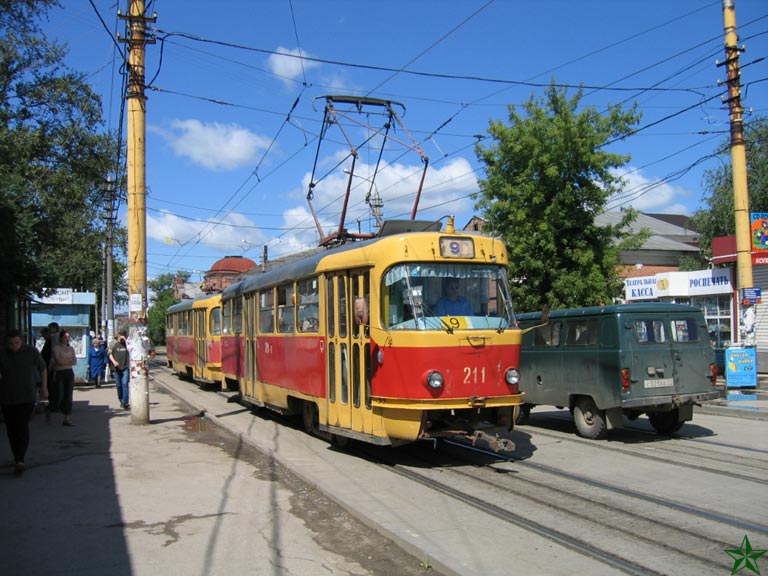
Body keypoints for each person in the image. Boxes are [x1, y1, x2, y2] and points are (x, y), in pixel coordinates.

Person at [0, 329, 48, 475]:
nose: (14, 346)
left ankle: (20, 459)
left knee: (21, 426)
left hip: (26, 396)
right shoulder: (2, 353)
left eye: (16, 343)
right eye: (10, 344)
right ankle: (17, 457)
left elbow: (43, 368)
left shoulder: (30, 351)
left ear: (21, 341)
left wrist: (44, 388)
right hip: (7, 397)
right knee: (11, 429)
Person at [51, 330, 77, 426]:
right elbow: (59, 361)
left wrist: (64, 361)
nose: (67, 339)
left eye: (68, 337)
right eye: (65, 337)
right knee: (60, 394)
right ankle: (51, 410)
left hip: (69, 373)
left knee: (68, 396)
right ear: (61, 338)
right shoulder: (56, 349)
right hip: (59, 373)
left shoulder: (71, 349)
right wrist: (68, 361)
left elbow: (74, 361)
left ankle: (67, 418)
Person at [40, 322, 59, 417]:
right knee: (51, 386)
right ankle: (53, 404)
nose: (43, 337)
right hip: (49, 366)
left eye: (44, 335)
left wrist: (51, 365)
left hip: (51, 366)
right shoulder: (51, 340)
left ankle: (54, 405)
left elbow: (52, 353)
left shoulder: (53, 339)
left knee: (52, 386)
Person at [109, 331, 130, 410]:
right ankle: (121, 400)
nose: (122, 337)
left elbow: (130, 350)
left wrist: (126, 341)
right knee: (119, 385)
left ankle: (125, 402)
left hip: (125, 367)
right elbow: (109, 353)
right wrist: (114, 362)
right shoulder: (113, 343)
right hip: (116, 368)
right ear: (118, 335)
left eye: (123, 336)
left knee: (125, 384)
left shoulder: (127, 343)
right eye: (120, 336)